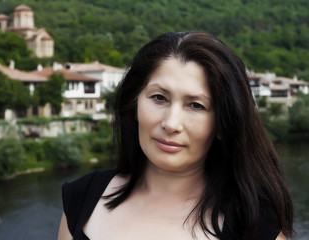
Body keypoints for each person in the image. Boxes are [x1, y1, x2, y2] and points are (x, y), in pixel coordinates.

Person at [57, 31, 294, 240]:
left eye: (196, 106)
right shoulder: (81, 198)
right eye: (159, 98)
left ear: (222, 124)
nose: (171, 124)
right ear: (134, 104)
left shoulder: (254, 227)